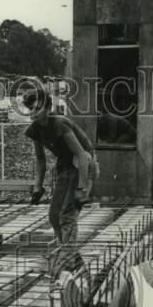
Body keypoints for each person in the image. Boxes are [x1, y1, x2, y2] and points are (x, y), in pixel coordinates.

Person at [22, 87, 98, 278]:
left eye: (38, 108)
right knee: (54, 216)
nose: (33, 112)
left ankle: (66, 265)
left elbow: (81, 155)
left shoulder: (59, 124)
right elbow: (40, 160)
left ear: (48, 109)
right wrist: (38, 187)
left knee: (67, 215)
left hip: (83, 165)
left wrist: (82, 188)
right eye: (30, 108)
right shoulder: (35, 129)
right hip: (65, 168)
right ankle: (75, 260)